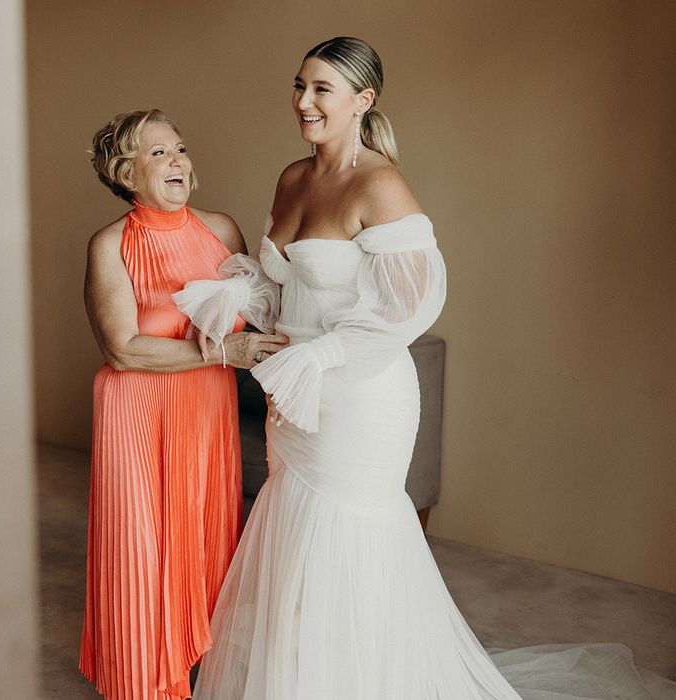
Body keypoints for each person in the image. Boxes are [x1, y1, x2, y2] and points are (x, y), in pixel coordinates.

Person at [175, 39, 676, 700]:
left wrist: (320, 355)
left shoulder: (380, 183)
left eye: (322, 89)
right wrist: (245, 302)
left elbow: (413, 303)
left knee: (347, 537)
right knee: (294, 533)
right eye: (299, 85)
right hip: (292, 400)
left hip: (359, 395)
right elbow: (288, 286)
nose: (303, 102)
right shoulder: (292, 177)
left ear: (364, 99)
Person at [79, 108, 288, 700]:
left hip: (203, 413)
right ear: (126, 172)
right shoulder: (110, 244)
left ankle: (204, 671)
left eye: (180, 149)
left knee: (201, 539)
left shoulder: (221, 231)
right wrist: (225, 350)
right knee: (141, 547)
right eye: (158, 153)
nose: (177, 161)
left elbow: (258, 311)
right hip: (136, 413)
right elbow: (123, 349)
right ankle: (144, 681)